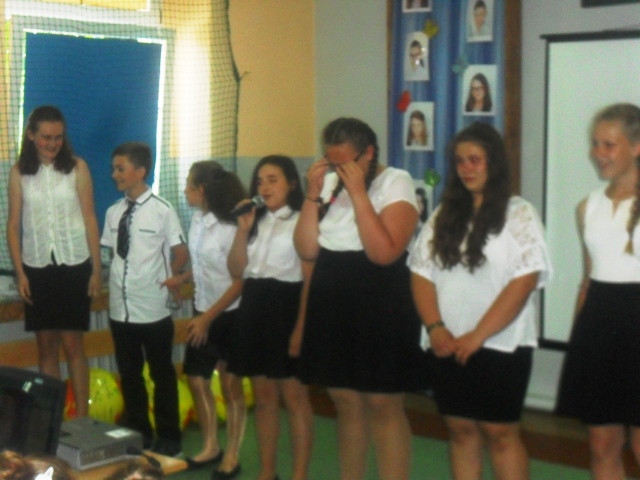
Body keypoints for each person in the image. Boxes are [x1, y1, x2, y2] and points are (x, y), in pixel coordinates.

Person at [408, 122, 551, 480]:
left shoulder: (519, 213)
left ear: (494, 163)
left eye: (475, 160)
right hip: (446, 341)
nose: (466, 168)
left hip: (500, 344)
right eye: (460, 161)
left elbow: (524, 280)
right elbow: (421, 273)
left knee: (500, 434)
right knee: (460, 431)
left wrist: (478, 335)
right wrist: (435, 327)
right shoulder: (443, 214)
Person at [295, 118, 424, 480]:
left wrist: (358, 193)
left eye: (346, 162)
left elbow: (383, 253)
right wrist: (312, 192)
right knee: (345, 400)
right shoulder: (328, 183)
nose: (338, 170)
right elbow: (306, 249)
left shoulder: (396, 181)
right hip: (332, 295)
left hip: (380, 295)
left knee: (382, 401)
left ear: (368, 153)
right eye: (331, 162)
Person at [556, 103, 640, 480]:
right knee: (602, 444)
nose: (599, 153)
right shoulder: (587, 208)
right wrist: (580, 341)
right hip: (599, 330)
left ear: (636, 146)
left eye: (609, 144)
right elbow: (588, 281)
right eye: (595, 143)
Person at [6, 105, 101, 418]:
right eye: (46, 137)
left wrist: (96, 270)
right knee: (46, 347)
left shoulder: (78, 167)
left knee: (73, 345)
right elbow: (13, 226)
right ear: (31, 136)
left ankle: (82, 420)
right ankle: (52, 420)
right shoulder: (19, 173)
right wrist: (20, 273)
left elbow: (90, 218)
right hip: (36, 269)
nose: (52, 143)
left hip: (74, 265)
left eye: (58, 137)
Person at [226, 155, 314, 480]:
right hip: (254, 306)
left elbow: (309, 280)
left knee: (294, 397)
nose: (264, 187)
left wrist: (301, 327)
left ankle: (299, 475)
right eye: (260, 181)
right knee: (263, 397)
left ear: (291, 183)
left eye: (273, 179)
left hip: (287, 307)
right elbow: (237, 270)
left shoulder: (303, 219)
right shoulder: (254, 220)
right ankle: (267, 473)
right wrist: (242, 230)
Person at [100, 142, 189, 457]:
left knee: (161, 373)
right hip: (120, 309)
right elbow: (113, 255)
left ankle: (169, 437)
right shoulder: (113, 212)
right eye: (114, 168)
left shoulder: (163, 210)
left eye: (120, 168)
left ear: (140, 171)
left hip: (152, 308)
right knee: (129, 373)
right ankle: (139, 432)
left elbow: (181, 252)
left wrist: (173, 276)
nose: (115, 174)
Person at [162, 161, 247, 478]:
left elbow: (239, 282)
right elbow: (201, 263)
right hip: (203, 311)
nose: (185, 190)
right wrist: (182, 278)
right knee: (196, 378)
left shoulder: (230, 228)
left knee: (230, 385)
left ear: (202, 190)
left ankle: (232, 455)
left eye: (188, 185)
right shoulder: (198, 220)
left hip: (231, 316)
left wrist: (208, 318)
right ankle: (211, 446)